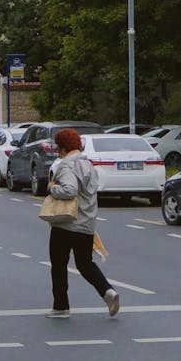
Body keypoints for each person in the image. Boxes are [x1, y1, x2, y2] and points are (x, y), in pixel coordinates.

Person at [44, 127, 119, 319]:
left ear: (62, 148)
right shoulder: (89, 166)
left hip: (66, 223)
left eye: (58, 148)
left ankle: (61, 306)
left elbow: (69, 190)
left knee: (59, 264)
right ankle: (107, 291)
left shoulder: (67, 165)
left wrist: (53, 189)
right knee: (85, 264)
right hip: (86, 223)